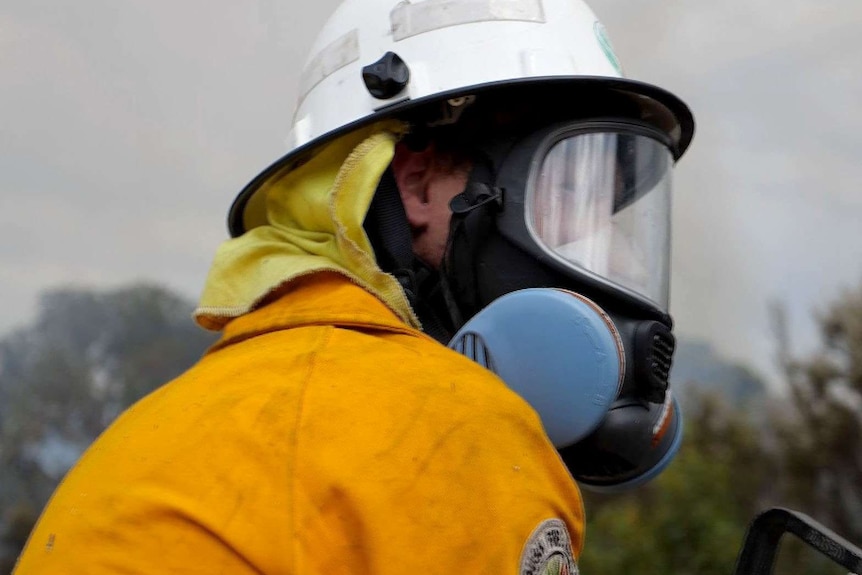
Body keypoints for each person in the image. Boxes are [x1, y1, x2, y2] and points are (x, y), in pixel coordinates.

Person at [13, 0, 694, 572]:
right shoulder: (450, 422)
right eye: (566, 188)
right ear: (418, 185)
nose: (583, 249)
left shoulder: (161, 424)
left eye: (600, 213)